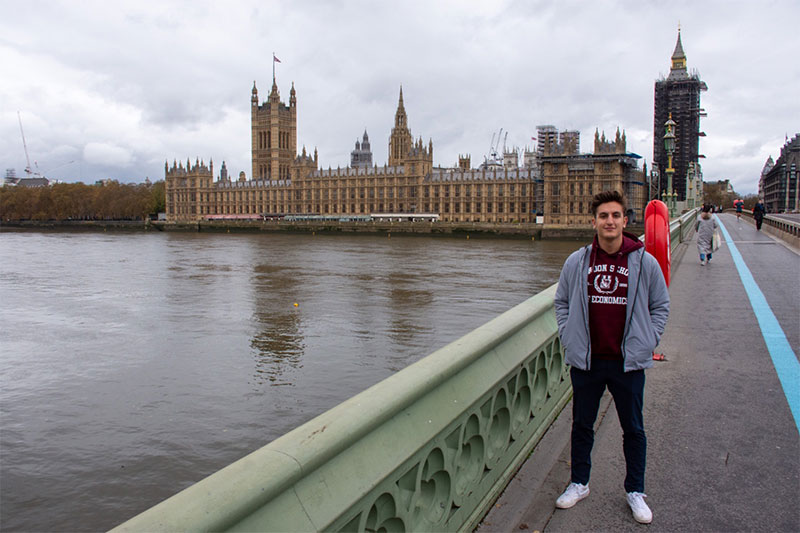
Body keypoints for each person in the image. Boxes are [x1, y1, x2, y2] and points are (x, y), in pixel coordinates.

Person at [554, 190, 670, 524]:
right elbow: (561, 302)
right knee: (581, 426)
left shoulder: (644, 261)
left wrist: (648, 340)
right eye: (603, 216)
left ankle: (636, 491)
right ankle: (579, 483)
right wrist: (567, 334)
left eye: (615, 215)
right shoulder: (577, 261)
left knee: (633, 428)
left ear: (624, 220)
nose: (609, 221)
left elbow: (660, 305)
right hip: (588, 360)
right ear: (594, 221)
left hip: (628, 361)